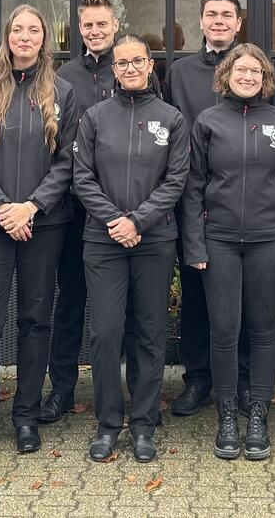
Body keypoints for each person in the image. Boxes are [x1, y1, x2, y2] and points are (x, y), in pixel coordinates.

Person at [0, 4, 78, 455]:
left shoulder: (62, 92)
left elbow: (68, 158)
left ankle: (26, 415)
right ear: (6, 36)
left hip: (43, 225)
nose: (24, 37)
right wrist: (2, 207)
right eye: (17, 30)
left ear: (44, 40)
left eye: (33, 31)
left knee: (35, 321)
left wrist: (31, 206)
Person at [182, 44, 275, 462]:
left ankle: (258, 413)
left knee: (261, 329)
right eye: (241, 70)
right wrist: (195, 244)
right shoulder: (207, 121)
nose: (249, 76)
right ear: (226, 75)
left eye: (256, 71)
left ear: (266, 78)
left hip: (266, 241)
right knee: (223, 329)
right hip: (218, 241)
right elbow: (193, 187)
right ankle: (227, 416)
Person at [71, 34, 188, 463]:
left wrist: (138, 220)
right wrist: (115, 221)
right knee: (105, 333)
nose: (130, 68)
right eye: (122, 63)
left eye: (138, 61)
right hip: (102, 241)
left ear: (151, 64)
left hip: (154, 239)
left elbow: (176, 180)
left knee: (150, 333)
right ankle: (107, 423)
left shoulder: (172, 119)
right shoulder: (95, 116)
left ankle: (142, 424)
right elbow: (81, 176)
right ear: (113, 70)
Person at [165, 0, 275, 418]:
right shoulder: (179, 72)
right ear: (200, 21)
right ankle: (199, 378)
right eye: (211, 14)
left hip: (252, 214)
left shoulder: (257, 69)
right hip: (196, 202)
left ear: (238, 22)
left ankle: (248, 383)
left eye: (226, 15)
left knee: (250, 304)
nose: (218, 21)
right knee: (197, 296)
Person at [45, 0, 119, 423]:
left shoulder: (131, 67)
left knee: (121, 310)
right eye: (88, 25)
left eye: (102, 24)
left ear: (114, 25)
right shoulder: (64, 75)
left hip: (122, 210)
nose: (95, 32)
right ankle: (62, 390)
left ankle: (120, 392)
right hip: (72, 209)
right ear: (79, 29)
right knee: (70, 301)